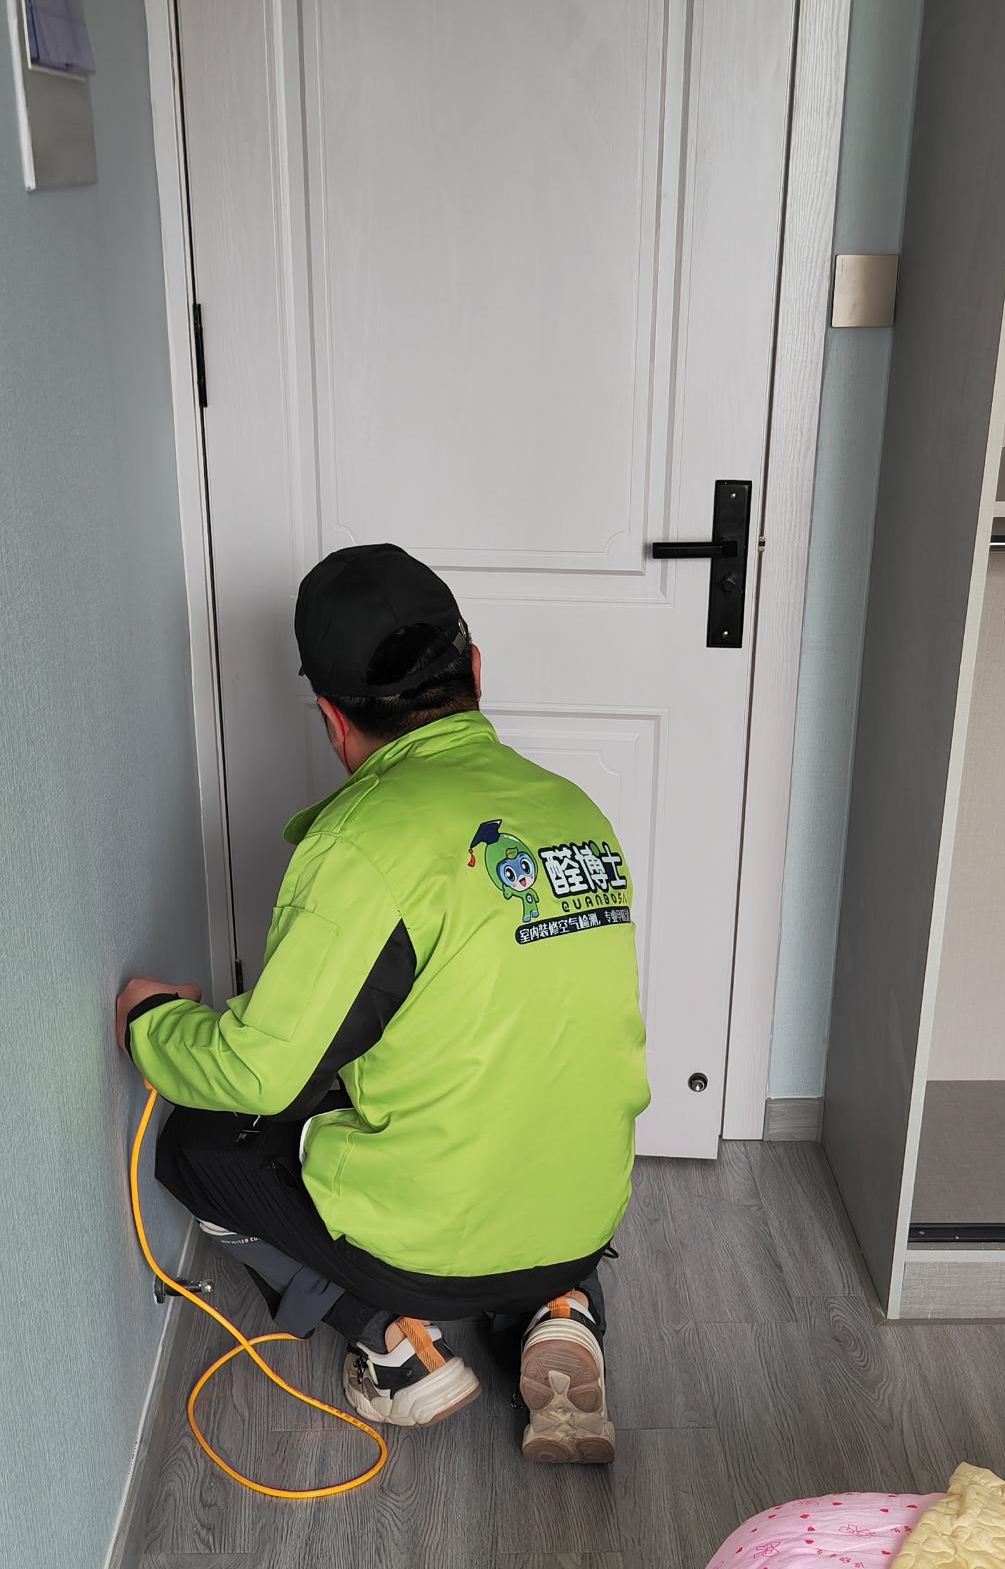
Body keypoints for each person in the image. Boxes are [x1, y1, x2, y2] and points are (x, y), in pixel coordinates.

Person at [114, 543, 649, 1463]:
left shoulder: (362, 843)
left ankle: (396, 1346)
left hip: (429, 1248)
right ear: (475, 669)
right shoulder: (575, 810)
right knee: (521, 1094)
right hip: (584, 1216)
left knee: (200, 1148)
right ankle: (562, 1307)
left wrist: (149, 1022)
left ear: (332, 720)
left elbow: (259, 1074)